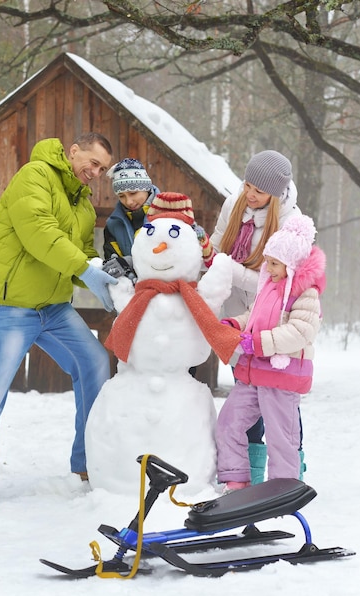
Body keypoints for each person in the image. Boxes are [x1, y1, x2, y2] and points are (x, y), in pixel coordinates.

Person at [0, 133, 118, 504]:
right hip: (9, 306)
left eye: (101, 169)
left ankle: (86, 461)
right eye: (92, 162)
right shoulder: (34, 176)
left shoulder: (82, 202)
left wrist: (99, 274)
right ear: (73, 151)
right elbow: (40, 233)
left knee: (94, 361)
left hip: (53, 308)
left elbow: (82, 251)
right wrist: (84, 267)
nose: (95, 172)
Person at [210, 150, 303, 483]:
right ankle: (249, 473)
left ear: (276, 196)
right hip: (240, 316)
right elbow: (219, 246)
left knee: (278, 401)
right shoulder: (234, 205)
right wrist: (208, 256)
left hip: (275, 322)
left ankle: (292, 471)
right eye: (247, 184)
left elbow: (275, 283)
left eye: (259, 191)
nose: (250, 194)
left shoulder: (291, 223)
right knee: (245, 398)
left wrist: (227, 269)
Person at [215, 215, 326, 494]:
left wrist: (258, 343)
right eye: (268, 261)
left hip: (281, 376)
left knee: (281, 437)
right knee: (229, 422)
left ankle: (283, 490)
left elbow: (301, 331)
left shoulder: (305, 294)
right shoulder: (269, 287)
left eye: (275, 263)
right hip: (253, 375)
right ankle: (236, 481)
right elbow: (254, 316)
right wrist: (236, 324)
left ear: (291, 264)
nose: (269, 267)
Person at [103, 158, 215, 280]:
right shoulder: (113, 225)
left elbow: (181, 252)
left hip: (173, 289)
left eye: (133, 193)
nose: (128, 201)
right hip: (132, 293)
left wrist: (129, 262)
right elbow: (112, 263)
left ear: (146, 188)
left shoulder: (170, 211)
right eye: (121, 196)